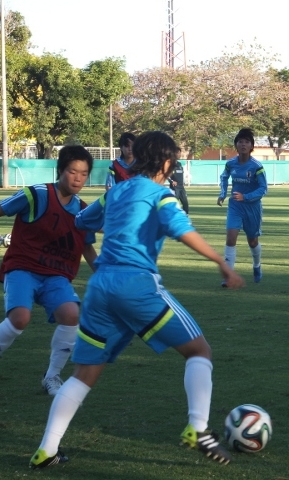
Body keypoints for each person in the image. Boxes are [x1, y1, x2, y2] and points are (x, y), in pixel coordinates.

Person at [29, 131, 244, 470]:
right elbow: (182, 229)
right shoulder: (162, 195)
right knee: (199, 351)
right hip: (135, 284)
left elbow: (83, 220)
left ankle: (47, 450)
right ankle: (198, 428)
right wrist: (221, 263)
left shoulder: (116, 191)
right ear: (168, 162)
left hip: (99, 287)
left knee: (84, 373)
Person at [0, 146, 98, 396]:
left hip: (56, 275)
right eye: (72, 171)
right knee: (20, 318)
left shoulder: (84, 210)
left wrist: (103, 274)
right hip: (22, 268)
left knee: (71, 315)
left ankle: (52, 377)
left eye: (84, 173)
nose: (78, 178)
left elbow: (87, 248)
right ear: (60, 171)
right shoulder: (37, 194)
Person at [217, 128, 267, 285]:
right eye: (240, 142)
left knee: (252, 241)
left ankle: (257, 265)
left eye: (247, 142)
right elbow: (224, 177)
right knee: (231, 238)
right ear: (236, 145)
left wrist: (246, 197)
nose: (243, 144)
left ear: (251, 146)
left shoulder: (256, 166)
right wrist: (223, 193)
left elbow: (263, 189)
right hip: (235, 207)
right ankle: (229, 276)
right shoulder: (230, 164)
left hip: (252, 208)